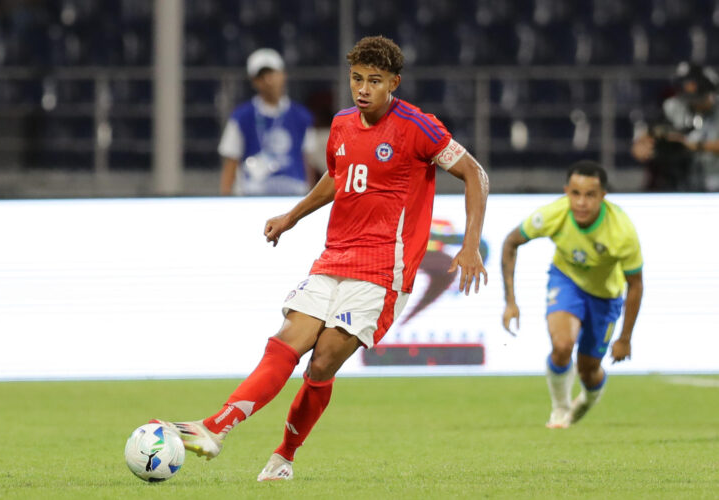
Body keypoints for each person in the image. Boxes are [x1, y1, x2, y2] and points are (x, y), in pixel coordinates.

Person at [153, 35, 489, 481]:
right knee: (288, 339)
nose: (362, 88)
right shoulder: (342, 124)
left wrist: (469, 244)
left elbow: (475, 174)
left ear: (394, 83)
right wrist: (292, 216)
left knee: (323, 360)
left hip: (383, 271)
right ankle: (215, 429)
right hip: (334, 258)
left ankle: (284, 456)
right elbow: (337, 176)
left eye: (374, 80)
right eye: (356, 79)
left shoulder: (419, 126)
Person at [500, 161, 643, 429]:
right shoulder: (553, 214)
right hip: (566, 281)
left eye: (590, 195)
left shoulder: (622, 231)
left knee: (588, 371)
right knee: (562, 346)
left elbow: (635, 284)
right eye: (575, 193)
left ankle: (587, 401)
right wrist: (510, 301)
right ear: (566, 191)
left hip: (606, 296)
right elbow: (511, 242)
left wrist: (625, 338)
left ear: (603, 196)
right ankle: (560, 407)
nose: (581, 202)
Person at [218, 48, 317, 195]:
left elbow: (307, 161)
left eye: (272, 74)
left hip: (293, 193)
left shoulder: (301, 116)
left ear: (283, 75)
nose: (268, 81)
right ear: (254, 81)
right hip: (254, 193)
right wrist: (225, 199)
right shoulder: (241, 116)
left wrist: (311, 198)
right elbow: (231, 162)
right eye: (261, 76)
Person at [632, 62, 719, 191]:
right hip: (678, 183)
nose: (689, 89)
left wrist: (691, 145)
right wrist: (646, 144)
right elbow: (645, 139)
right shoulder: (673, 106)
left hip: (714, 181)